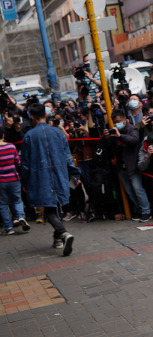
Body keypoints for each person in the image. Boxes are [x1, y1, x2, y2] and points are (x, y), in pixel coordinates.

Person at [21, 103, 79, 256]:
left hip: (40, 177)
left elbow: (25, 163)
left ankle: (63, 233)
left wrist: (24, 181)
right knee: (55, 205)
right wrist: (75, 174)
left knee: (49, 207)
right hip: (59, 173)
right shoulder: (58, 133)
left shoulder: (29, 136)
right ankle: (58, 239)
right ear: (45, 115)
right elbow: (68, 156)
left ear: (32, 116)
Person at [102, 109, 152, 221]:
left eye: (119, 121)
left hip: (132, 166)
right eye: (115, 122)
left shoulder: (132, 129)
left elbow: (134, 140)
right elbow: (108, 146)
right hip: (121, 166)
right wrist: (106, 137)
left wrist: (120, 136)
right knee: (130, 191)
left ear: (125, 120)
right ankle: (139, 210)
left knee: (138, 190)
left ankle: (146, 211)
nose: (117, 124)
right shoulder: (114, 131)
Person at [0, 127, 30, 235]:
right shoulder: (12, 147)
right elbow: (18, 163)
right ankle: (21, 216)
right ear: (3, 135)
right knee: (17, 200)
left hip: (1, 181)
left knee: (3, 204)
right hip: (13, 178)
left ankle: (9, 228)